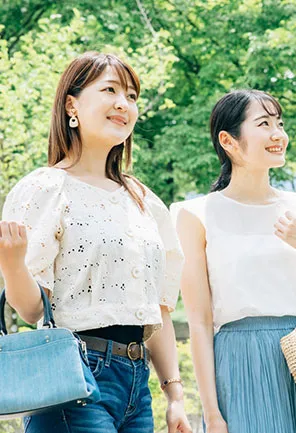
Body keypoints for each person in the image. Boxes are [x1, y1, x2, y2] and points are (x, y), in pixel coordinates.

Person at [0, 52, 192, 433]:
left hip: (138, 385)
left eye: (132, 96)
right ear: (72, 104)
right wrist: (12, 264)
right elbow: (32, 310)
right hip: (74, 378)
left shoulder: (143, 199)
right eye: (110, 90)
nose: (124, 103)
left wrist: (175, 396)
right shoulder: (45, 188)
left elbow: (159, 309)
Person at [172, 89, 296, 433]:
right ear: (229, 141)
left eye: (279, 123)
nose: (278, 134)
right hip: (239, 362)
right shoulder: (196, 215)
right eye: (264, 124)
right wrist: (212, 414)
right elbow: (200, 322)